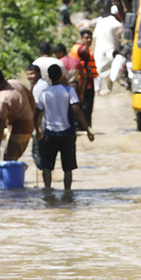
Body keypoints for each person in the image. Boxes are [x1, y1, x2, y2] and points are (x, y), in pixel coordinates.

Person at [35, 63, 94, 191]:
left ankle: (47, 190)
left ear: (49, 77)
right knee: (68, 167)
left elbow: (37, 114)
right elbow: (77, 111)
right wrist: (87, 129)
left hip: (50, 134)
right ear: (62, 76)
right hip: (67, 134)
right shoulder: (69, 91)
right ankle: (67, 192)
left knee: (47, 166)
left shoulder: (44, 93)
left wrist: (37, 130)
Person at [0, 67, 34, 162]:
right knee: (13, 159)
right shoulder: (15, 83)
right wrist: (34, 115)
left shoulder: (2, 100)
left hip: (19, 129)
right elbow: (30, 96)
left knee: (9, 160)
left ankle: (14, 177)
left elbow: (0, 126)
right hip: (29, 125)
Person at [93, 7, 125, 95]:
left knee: (101, 73)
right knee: (115, 73)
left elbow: (94, 37)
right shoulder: (117, 24)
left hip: (99, 51)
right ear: (119, 14)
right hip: (112, 51)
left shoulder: (100, 22)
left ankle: (100, 92)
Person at [69, 31, 97, 124]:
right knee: (86, 105)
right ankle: (84, 125)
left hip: (80, 80)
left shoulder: (75, 47)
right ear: (82, 39)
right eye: (86, 38)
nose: (89, 40)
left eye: (90, 38)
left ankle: (80, 124)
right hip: (84, 81)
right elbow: (83, 51)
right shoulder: (83, 49)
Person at [25, 64, 49, 172]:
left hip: (41, 124)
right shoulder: (43, 84)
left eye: (32, 74)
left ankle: (45, 181)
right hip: (46, 124)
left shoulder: (38, 88)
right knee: (43, 154)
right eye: (28, 74)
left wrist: (37, 128)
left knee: (38, 154)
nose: (30, 77)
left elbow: (37, 109)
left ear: (39, 74)